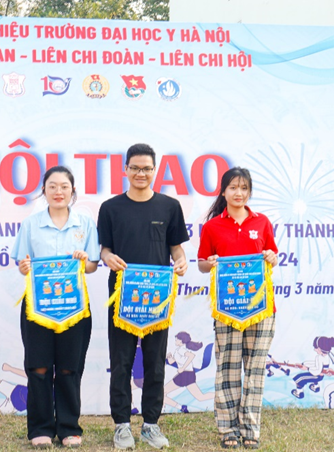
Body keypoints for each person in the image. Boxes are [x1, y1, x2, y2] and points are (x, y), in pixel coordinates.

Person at [98, 143, 189, 450]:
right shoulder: (110, 208)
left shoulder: (169, 206)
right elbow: (105, 249)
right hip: (122, 298)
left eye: (146, 168)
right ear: (125, 169)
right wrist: (107, 257)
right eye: (135, 168)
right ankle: (122, 426)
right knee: (121, 362)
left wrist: (182, 261)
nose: (140, 173)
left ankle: (151, 424)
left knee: (155, 362)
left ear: (154, 170)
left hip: (157, 299)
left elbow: (176, 247)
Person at [11, 166, 100, 448]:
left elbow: (92, 266)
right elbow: (23, 264)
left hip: (74, 307)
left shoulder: (84, 224)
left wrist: (85, 260)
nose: (58, 192)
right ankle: (40, 428)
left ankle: (69, 428)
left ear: (73, 191)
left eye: (64, 186)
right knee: (38, 368)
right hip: (37, 307)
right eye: (52, 186)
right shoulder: (31, 224)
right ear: (44, 191)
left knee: (68, 369)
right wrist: (24, 266)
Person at [197, 167, 278, 450]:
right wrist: (213, 262)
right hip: (227, 308)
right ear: (223, 192)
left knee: (255, 369)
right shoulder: (212, 227)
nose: (239, 193)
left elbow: (273, 256)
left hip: (261, 307)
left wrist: (271, 256)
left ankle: (250, 429)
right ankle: (228, 430)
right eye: (233, 187)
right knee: (228, 369)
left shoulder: (263, 222)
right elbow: (201, 263)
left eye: (244, 188)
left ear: (249, 192)